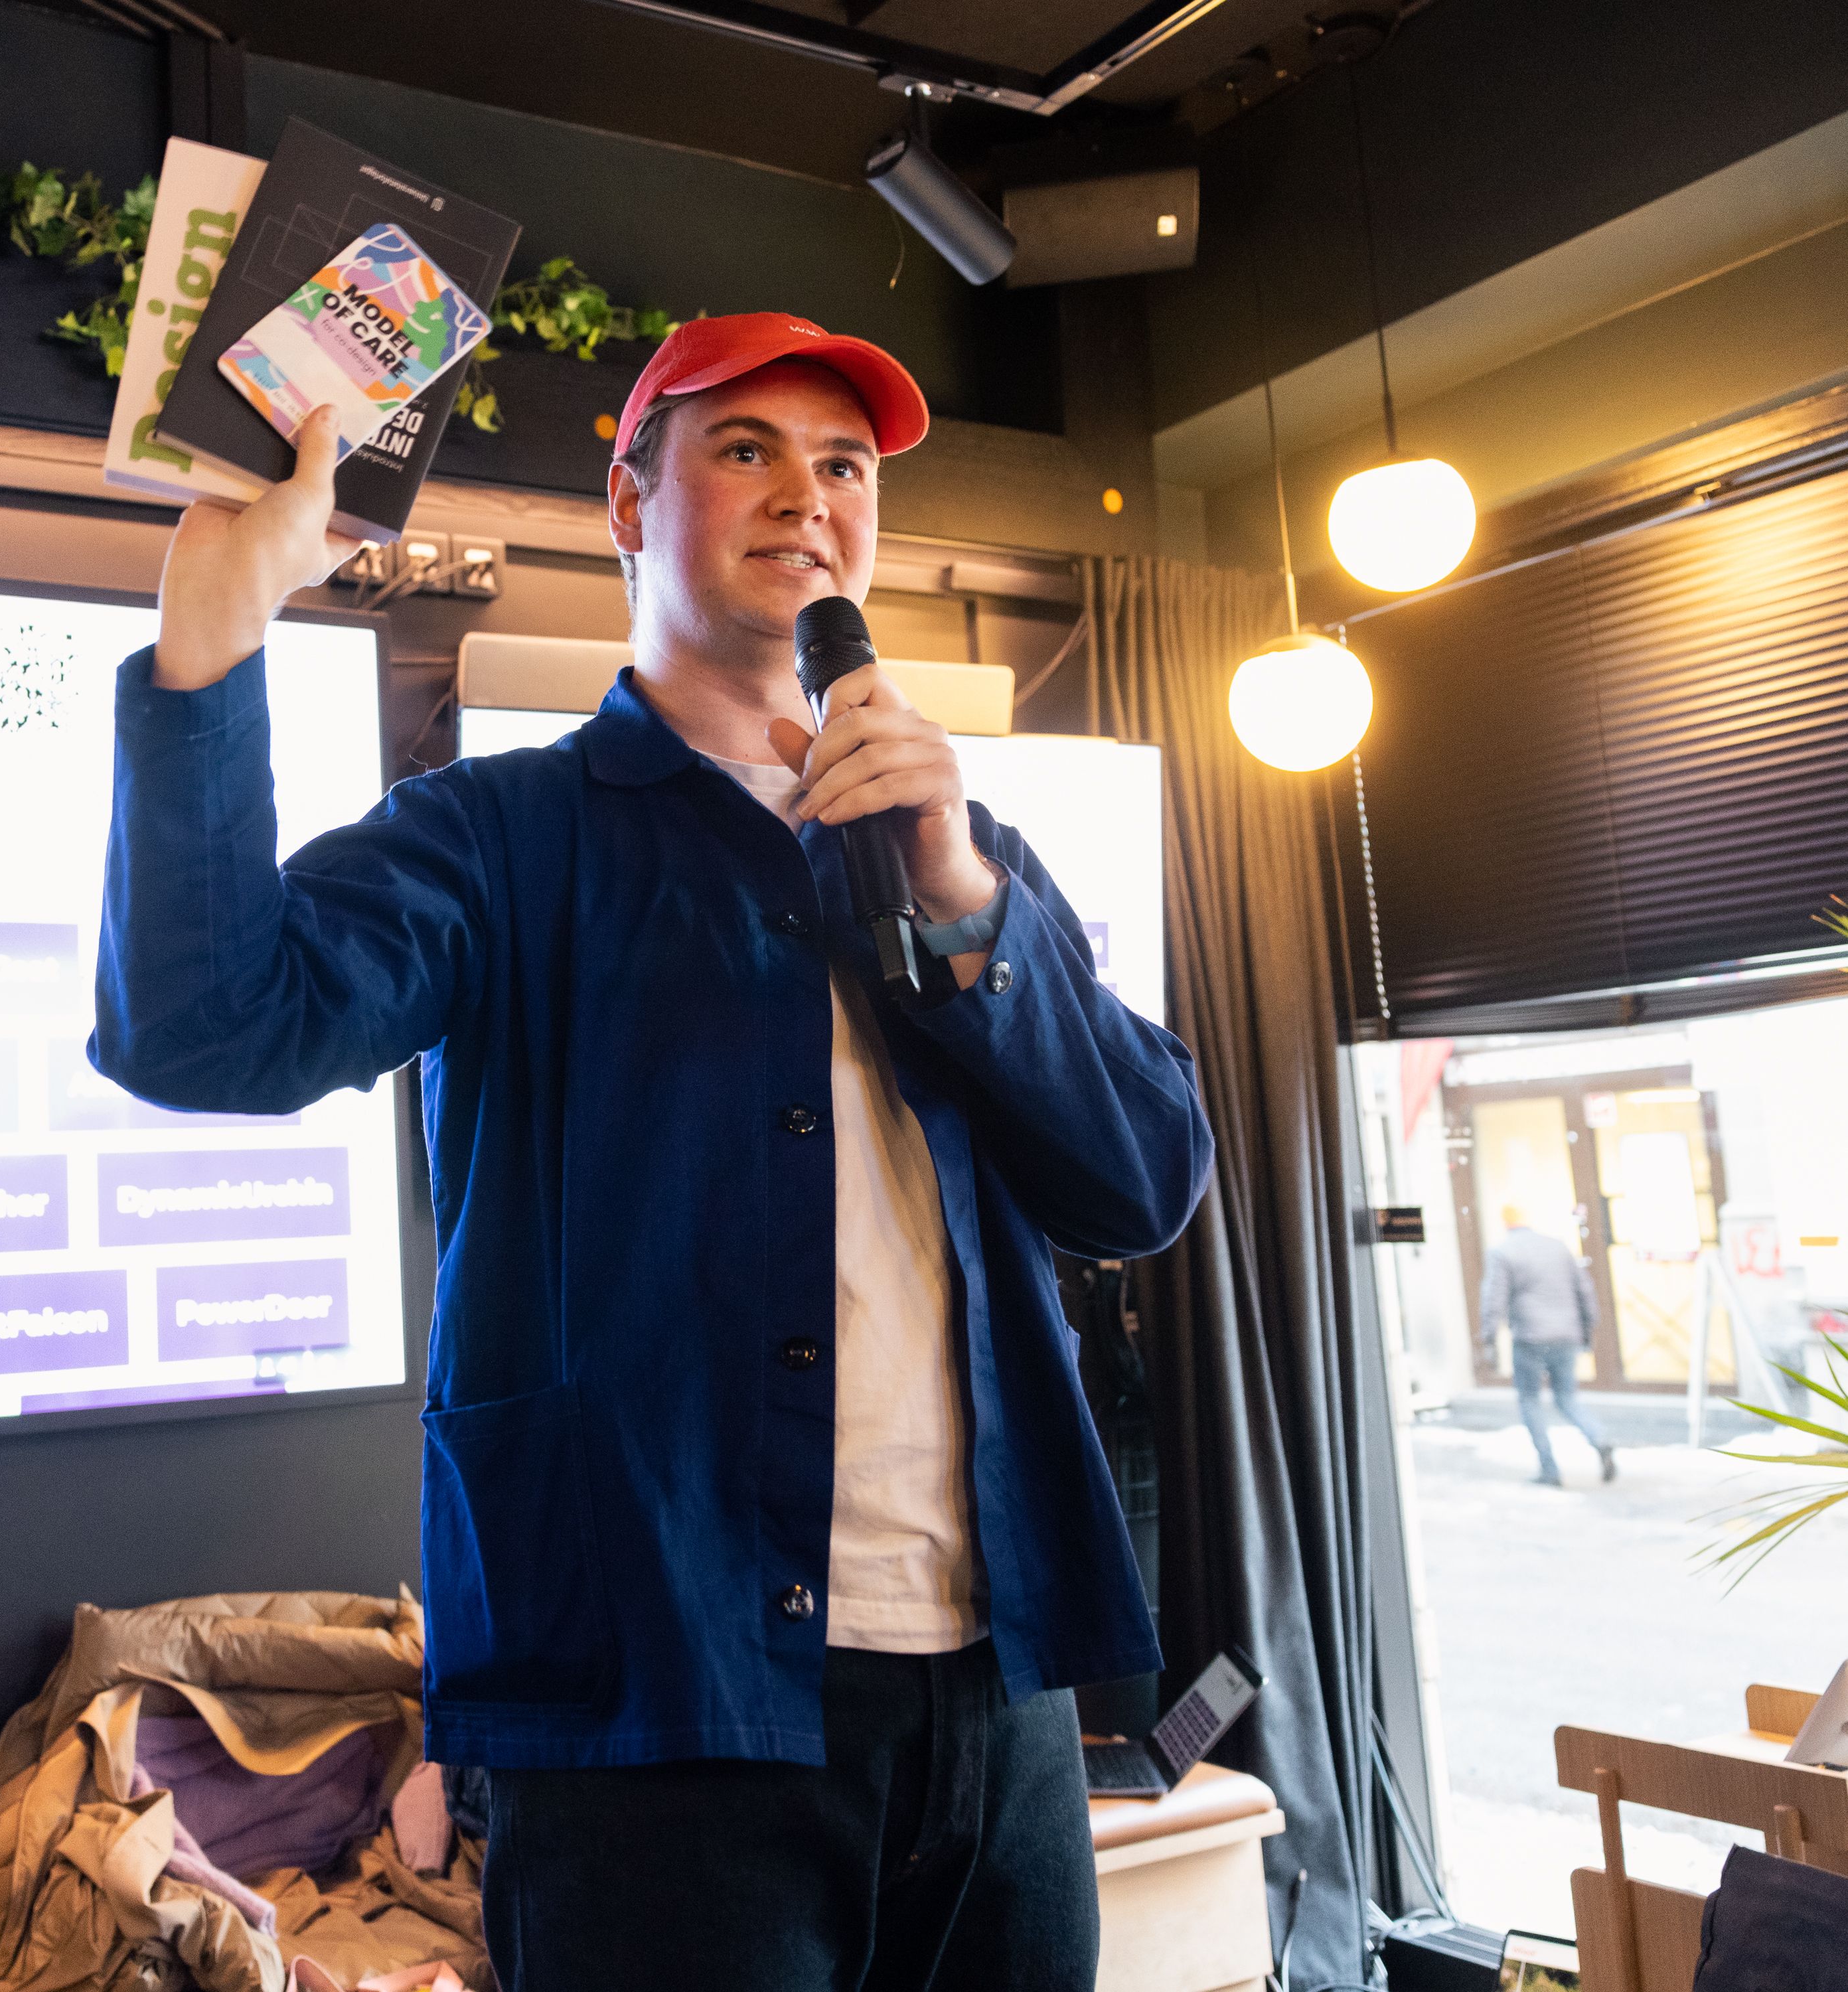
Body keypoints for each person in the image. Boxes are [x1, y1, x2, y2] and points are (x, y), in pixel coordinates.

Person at [92, 313, 1215, 1991]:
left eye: (842, 463)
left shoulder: (954, 843)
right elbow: (206, 1024)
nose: (805, 496)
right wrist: (210, 635)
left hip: (997, 1690)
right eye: (744, 450)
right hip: (653, 1693)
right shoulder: (501, 834)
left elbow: (1141, 1180)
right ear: (626, 503)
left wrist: (964, 896)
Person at [1480, 1204, 1616, 1488]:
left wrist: (1489, 1337)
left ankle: (1549, 1469)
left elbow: (1494, 1299)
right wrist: (1589, 1325)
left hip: (1531, 1338)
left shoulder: (1502, 1253)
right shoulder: (1557, 1247)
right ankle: (1599, 1438)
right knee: (1566, 1397)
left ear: (1505, 1223)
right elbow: (1584, 1288)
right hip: (1566, 1335)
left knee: (1530, 1401)